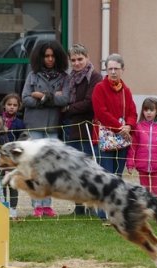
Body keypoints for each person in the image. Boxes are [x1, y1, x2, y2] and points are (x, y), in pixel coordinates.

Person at [21, 40, 69, 217]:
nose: (49, 59)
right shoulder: (33, 76)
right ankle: (36, 205)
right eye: (46, 56)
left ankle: (47, 204)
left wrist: (41, 96)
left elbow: (65, 99)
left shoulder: (64, 77)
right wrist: (50, 99)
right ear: (40, 58)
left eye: (52, 56)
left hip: (53, 126)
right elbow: (25, 99)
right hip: (35, 125)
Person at [92, 53, 137, 220]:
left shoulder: (126, 90)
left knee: (117, 177)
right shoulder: (99, 88)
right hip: (106, 138)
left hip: (123, 138)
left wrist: (129, 126)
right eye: (109, 68)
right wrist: (120, 128)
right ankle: (103, 214)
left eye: (116, 69)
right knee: (106, 176)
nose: (112, 72)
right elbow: (101, 112)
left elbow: (133, 111)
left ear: (122, 70)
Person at [62, 43, 102, 215]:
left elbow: (89, 102)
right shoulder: (69, 78)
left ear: (87, 58)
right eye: (73, 60)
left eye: (80, 59)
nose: (77, 63)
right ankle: (78, 207)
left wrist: (68, 108)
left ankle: (92, 206)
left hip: (88, 128)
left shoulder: (94, 77)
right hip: (72, 128)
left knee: (89, 170)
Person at [126, 97, 157, 197]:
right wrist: (130, 164)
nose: (148, 112)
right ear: (143, 111)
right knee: (144, 190)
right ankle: (145, 210)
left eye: (151, 110)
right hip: (142, 165)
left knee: (156, 191)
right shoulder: (138, 127)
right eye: (146, 109)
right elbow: (133, 147)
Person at [0, 93, 25, 219]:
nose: (11, 107)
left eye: (15, 105)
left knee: (13, 184)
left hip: (14, 159)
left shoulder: (20, 123)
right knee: (2, 183)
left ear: (19, 107)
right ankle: (2, 207)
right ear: (4, 105)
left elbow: (23, 139)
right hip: (0, 158)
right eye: (9, 104)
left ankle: (13, 208)